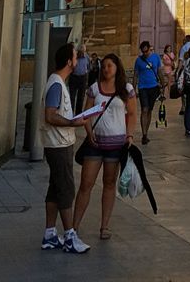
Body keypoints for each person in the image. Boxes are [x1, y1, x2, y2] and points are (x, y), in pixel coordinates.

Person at [73, 53, 136, 242]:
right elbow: (87, 112)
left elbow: (132, 113)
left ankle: (104, 226)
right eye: (105, 66)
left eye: (110, 65)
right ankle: (74, 227)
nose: (107, 69)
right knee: (86, 184)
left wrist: (130, 135)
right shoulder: (94, 88)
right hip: (95, 143)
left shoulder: (126, 89)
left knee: (109, 184)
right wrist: (88, 131)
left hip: (116, 145)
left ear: (117, 67)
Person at [40, 42, 95, 254]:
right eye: (75, 56)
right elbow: (50, 115)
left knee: (55, 189)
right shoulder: (56, 84)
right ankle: (70, 235)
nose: (78, 59)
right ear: (68, 61)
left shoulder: (58, 82)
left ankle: (50, 234)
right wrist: (74, 122)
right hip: (58, 144)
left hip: (58, 142)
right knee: (66, 189)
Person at [133, 40, 164, 144]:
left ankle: (146, 131)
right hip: (143, 87)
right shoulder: (138, 60)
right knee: (144, 109)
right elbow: (136, 75)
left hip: (154, 87)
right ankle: (144, 134)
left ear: (149, 49)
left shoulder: (156, 57)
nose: (145, 54)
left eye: (146, 51)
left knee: (149, 110)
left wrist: (163, 84)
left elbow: (159, 71)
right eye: (143, 52)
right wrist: (133, 88)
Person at [69, 42, 90, 117]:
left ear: (85, 50)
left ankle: (78, 114)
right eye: (80, 50)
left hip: (83, 78)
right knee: (72, 96)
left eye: (83, 50)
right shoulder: (74, 57)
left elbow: (88, 67)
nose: (81, 52)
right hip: (74, 77)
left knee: (81, 97)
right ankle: (70, 113)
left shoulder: (87, 57)